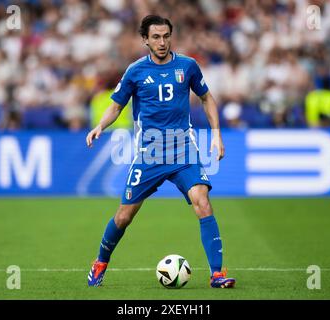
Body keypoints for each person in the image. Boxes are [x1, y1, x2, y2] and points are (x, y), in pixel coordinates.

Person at [85, 15, 236, 289]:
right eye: (156, 37)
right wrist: (100, 126)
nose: (162, 42)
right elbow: (116, 106)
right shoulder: (135, 71)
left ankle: (217, 274)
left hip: (183, 152)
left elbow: (206, 98)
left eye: (166, 36)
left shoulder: (188, 66)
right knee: (123, 216)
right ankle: (100, 262)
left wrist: (216, 134)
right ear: (145, 40)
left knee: (202, 201)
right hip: (149, 155)